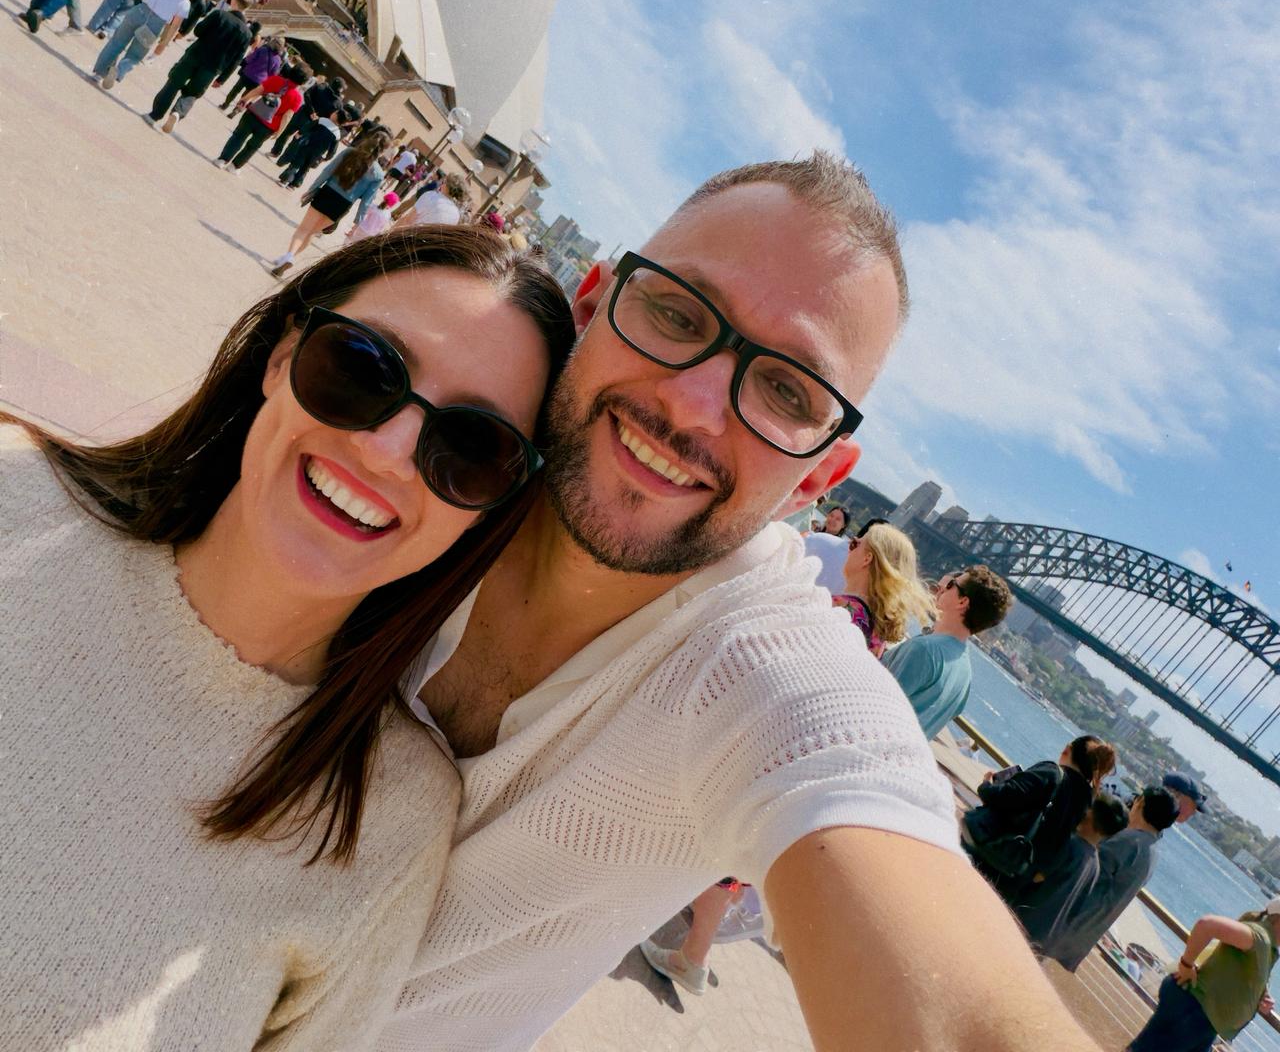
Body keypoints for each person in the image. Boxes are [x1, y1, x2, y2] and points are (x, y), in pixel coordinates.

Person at [370, 151, 1101, 1052]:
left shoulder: (766, 679)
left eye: (788, 389)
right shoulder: (417, 447)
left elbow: (968, 1014)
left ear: (819, 477)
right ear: (594, 300)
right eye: (677, 313)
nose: (694, 402)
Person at [0, 228, 574, 1049]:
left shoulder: (391, 820)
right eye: (361, 368)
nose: (387, 452)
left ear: (491, 509)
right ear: (279, 357)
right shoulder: (12, 495)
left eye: (471, 449)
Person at [961, 735, 1117, 901]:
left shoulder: (1051, 772)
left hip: (989, 849)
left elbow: (1004, 796)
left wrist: (987, 785)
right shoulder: (1086, 800)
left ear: (1067, 749)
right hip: (1018, 873)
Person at [1047, 785, 1180, 971]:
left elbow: (1083, 870)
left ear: (1141, 802)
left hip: (1065, 918)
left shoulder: (1129, 841)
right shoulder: (1151, 853)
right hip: (1085, 932)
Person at [1127, 896, 1279, 1052]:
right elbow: (1207, 925)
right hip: (1192, 1011)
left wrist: (1260, 998)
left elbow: (1243, 972)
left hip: (1203, 1019)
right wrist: (1186, 965)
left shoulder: (1268, 947)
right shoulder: (1260, 938)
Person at [882, 564, 1011, 738]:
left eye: (951, 585)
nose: (943, 588)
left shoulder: (924, 650)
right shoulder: (965, 675)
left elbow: (873, 705)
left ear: (962, 602)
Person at [1011, 792, 1128, 955]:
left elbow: (1037, 877)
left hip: (1022, 921)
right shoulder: (1095, 866)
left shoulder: (1070, 846)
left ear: (1091, 815)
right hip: (1045, 937)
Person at [268, 130, 391, 275]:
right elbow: (366, 200)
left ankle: (289, 255)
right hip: (342, 205)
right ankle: (289, 257)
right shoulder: (378, 174)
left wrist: (312, 189)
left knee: (303, 229)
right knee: (312, 233)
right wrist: (358, 220)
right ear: (382, 151)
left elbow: (327, 171)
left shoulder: (349, 152)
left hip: (327, 193)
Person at [147, 0, 254, 134]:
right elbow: (236, 59)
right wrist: (222, 79)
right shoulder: (247, 34)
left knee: (174, 82)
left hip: (195, 55)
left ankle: (155, 115)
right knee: (193, 93)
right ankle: (178, 113)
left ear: (234, 1)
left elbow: (198, 31)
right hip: (213, 68)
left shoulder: (219, 15)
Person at [834, 522, 936, 657]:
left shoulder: (835, 607)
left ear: (867, 559)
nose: (849, 548)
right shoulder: (878, 635)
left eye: (854, 544)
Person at [91, 0, 195, 90]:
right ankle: (118, 71)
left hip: (139, 11)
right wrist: (164, 42)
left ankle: (99, 73)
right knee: (135, 55)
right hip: (155, 25)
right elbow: (175, 25)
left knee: (116, 43)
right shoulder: (184, 2)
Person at [214, 58, 309, 173]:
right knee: (252, 147)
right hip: (269, 126)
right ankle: (235, 166)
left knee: (238, 137)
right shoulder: (297, 98)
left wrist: (244, 99)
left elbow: (258, 90)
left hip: (253, 113)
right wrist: (279, 131)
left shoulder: (275, 79)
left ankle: (222, 160)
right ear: (303, 82)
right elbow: (287, 116)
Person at [220, 33, 283, 110]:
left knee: (235, 90)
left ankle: (225, 105)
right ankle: (236, 110)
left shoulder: (262, 49)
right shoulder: (278, 60)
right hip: (259, 81)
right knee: (246, 96)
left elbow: (249, 59)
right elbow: (273, 74)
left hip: (248, 74)